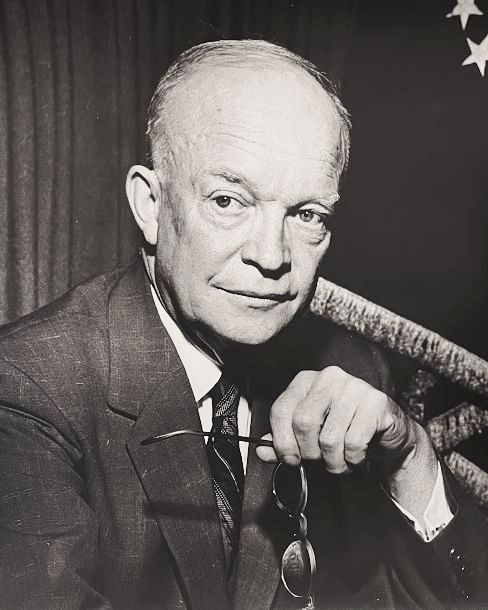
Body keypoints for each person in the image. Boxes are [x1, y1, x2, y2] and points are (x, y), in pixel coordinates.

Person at [0, 39, 486, 610]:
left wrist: (409, 458)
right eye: (230, 201)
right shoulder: (29, 390)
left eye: (306, 215)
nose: (272, 255)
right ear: (151, 205)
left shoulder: (352, 373)